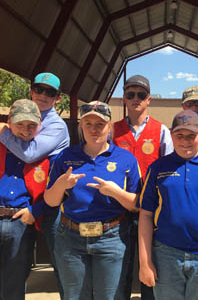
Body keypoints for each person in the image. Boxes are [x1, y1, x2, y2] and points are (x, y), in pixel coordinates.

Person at [44, 101, 142, 300]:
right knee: (74, 296)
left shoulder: (126, 159)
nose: (93, 129)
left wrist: (115, 192)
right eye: (88, 124)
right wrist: (61, 185)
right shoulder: (66, 157)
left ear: (110, 126)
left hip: (111, 238)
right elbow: (50, 201)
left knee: (109, 296)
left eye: (100, 124)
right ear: (80, 126)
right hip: (70, 238)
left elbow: (137, 203)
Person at [138, 110, 198, 300]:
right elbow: (146, 215)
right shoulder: (158, 168)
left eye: (192, 135)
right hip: (166, 253)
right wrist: (145, 261)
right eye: (179, 135)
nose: (185, 141)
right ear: (171, 135)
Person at [0, 72, 70, 297]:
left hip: (47, 207)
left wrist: (4, 131)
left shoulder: (55, 126)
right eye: (39, 89)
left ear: (58, 97)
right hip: (23, 209)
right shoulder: (26, 119)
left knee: (62, 267)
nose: (43, 95)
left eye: (50, 92)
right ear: (31, 90)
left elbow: (29, 154)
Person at [112, 74, 173, 299]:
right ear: (124, 99)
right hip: (120, 209)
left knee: (151, 269)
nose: (136, 98)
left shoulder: (162, 131)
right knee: (121, 268)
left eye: (141, 95)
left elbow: (169, 170)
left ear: (149, 100)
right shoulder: (112, 131)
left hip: (151, 210)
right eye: (131, 94)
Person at [0, 99, 47, 300]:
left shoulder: (43, 154)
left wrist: (35, 211)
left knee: (15, 284)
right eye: (20, 124)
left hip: (20, 222)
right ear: (9, 123)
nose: (25, 130)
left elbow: (55, 191)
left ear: (40, 126)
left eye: (31, 126)